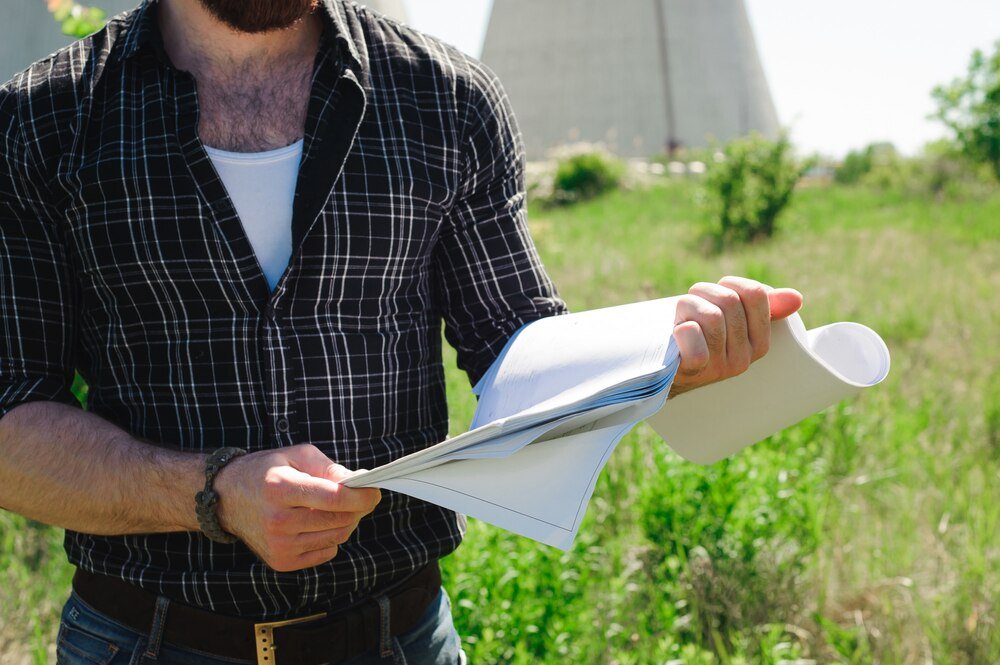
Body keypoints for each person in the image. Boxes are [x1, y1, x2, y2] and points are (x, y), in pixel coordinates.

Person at [0, 0, 803, 663]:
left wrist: (656, 356)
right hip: (144, 640)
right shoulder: (45, 119)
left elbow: (517, 346)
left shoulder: (446, 98)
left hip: (399, 639)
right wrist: (213, 493)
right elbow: (11, 424)